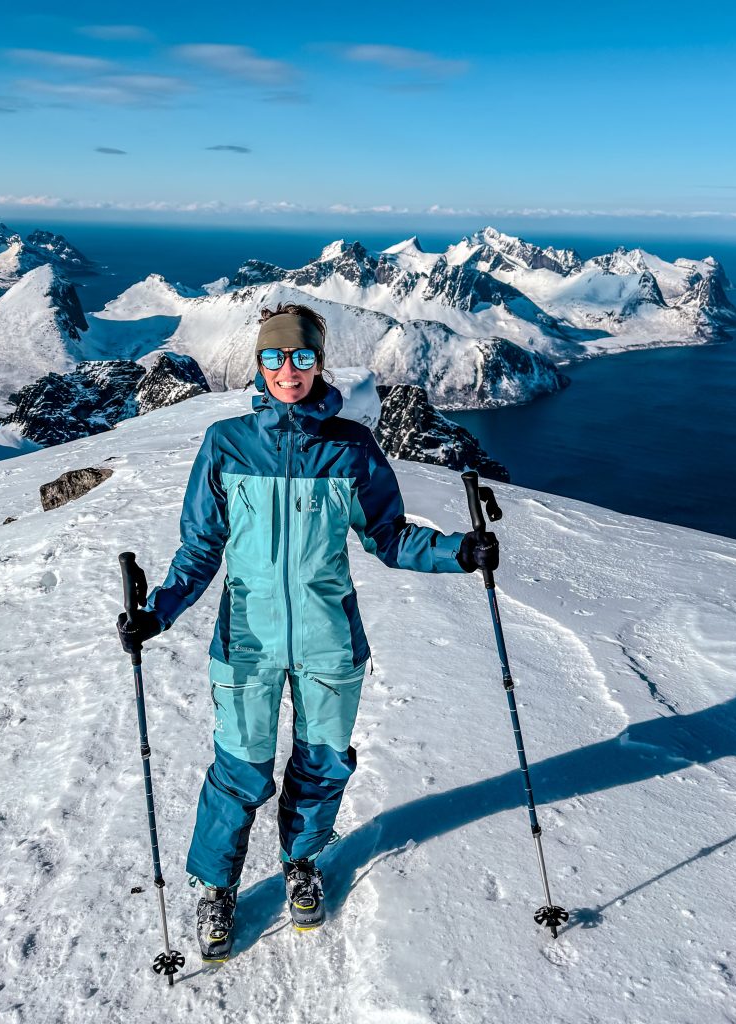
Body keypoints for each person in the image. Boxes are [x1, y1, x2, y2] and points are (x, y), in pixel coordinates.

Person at [118, 302, 498, 962]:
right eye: (273, 357)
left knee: (322, 763)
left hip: (329, 641)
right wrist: (160, 610)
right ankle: (217, 888)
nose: (286, 370)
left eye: (299, 357)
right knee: (240, 770)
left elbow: (388, 536)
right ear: (258, 364)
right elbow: (200, 547)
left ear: (319, 362)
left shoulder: (350, 448)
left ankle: (301, 863)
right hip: (247, 641)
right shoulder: (226, 445)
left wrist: (459, 552)